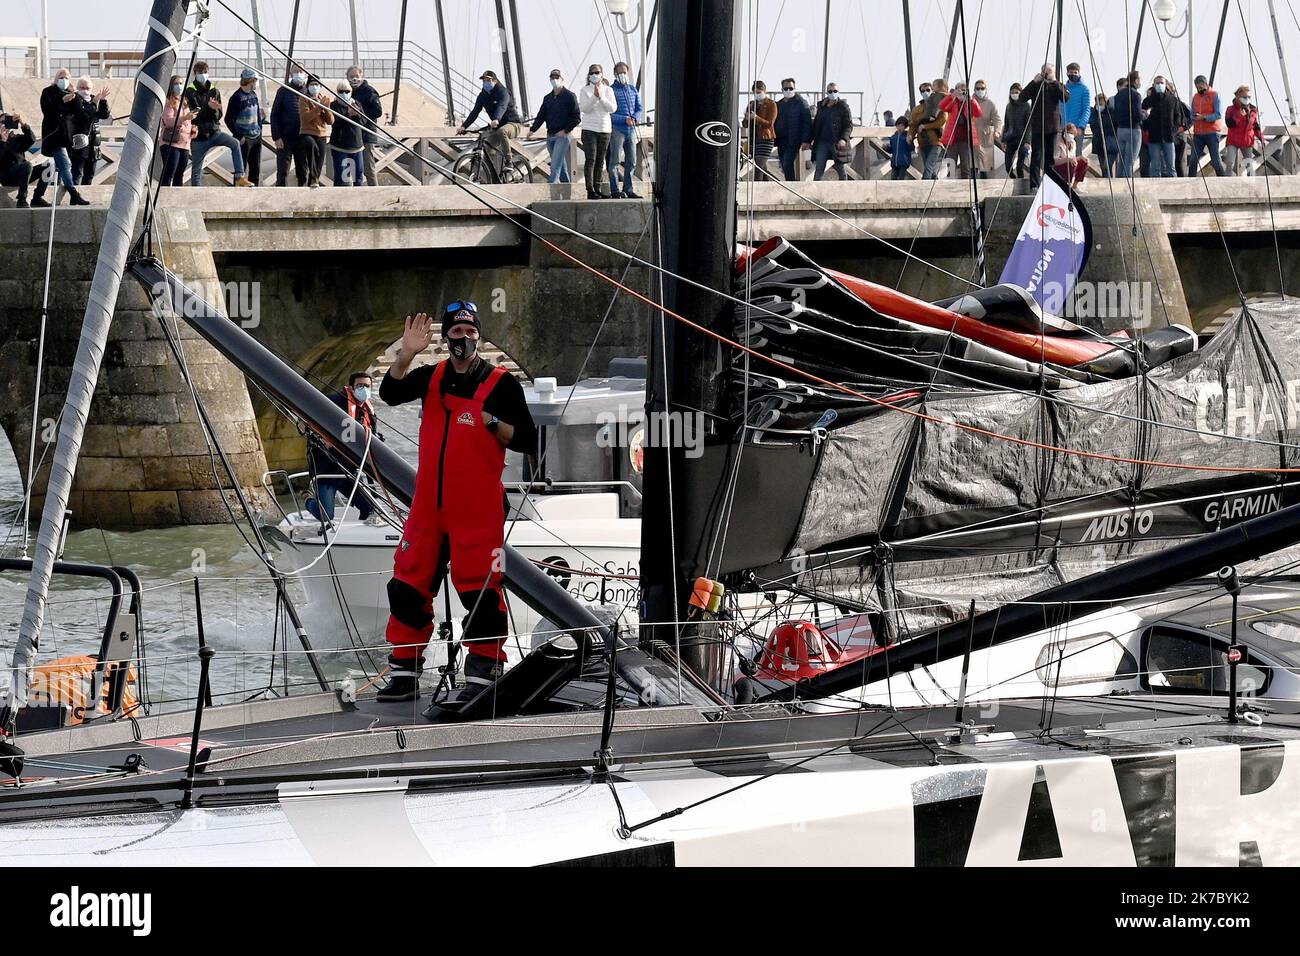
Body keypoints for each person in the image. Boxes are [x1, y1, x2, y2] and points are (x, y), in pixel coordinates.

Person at [375, 303, 539, 705]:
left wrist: (492, 424)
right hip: (429, 504)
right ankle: (404, 669)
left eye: (468, 330)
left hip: (477, 507)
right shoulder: (431, 377)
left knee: (480, 587)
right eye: (455, 331)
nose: (462, 337)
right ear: (446, 337)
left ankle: (483, 672)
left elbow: (528, 440)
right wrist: (407, 353)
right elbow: (390, 393)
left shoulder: (501, 383)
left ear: (477, 335)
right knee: (408, 583)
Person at [306, 372, 381, 526]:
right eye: (360, 386)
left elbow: (371, 441)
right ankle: (307, 499)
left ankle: (360, 536)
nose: (364, 389)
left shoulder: (368, 412)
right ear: (352, 388)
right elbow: (311, 409)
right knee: (326, 516)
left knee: (370, 509)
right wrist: (321, 435)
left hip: (349, 472)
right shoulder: (336, 402)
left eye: (367, 386)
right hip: (326, 471)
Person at [30, 69, 89, 207]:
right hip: (53, 136)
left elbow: (80, 113)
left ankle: (38, 196)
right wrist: (62, 100)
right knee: (65, 164)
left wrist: (75, 98)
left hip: (67, 136)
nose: (64, 80)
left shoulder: (71, 93)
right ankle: (74, 194)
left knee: (56, 167)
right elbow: (48, 111)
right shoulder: (48, 92)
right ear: (56, 79)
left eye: (66, 77)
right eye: (61, 77)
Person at [187, 63, 251, 187]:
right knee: (196, 171)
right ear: (194, 73)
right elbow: (194, 115)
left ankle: (240, 176)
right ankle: (196, 195)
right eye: (200, 72)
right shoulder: (190, 92)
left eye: (205, 71)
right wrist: (208, 107)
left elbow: (219, 114)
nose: (202, 75)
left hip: (214, 132)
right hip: (199, 136)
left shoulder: (214, 90)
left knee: (235, 143)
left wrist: (214, 109)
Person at [457, 70, 523, 181]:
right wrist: (464, 126)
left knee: (502, 131)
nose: (485, 82)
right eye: (484, 80)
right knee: (487, 146)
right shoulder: (483, 95)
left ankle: (509, 161)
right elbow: (475, 112)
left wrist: (496, 118)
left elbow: (502, 106)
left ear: (495, 81)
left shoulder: (503, 92)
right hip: (496, 127)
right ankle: (495, 177)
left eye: (488, 80)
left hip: (513, 124)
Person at [1021, 64, 1068, 188]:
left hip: (1052, 127)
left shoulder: (1057, 85)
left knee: (1049, 159)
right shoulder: (1036, 85)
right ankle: (1034, 185)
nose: (1047, 74)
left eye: (1049, 72)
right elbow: (1022, 97)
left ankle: (1050, 184)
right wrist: (1034, 81)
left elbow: (1066, 98)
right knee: (1036, 157)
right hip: (1038, 127)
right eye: (1045, 72)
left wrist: (1055, 81)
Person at [529, 68, 580, 184]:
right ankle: (567, 191)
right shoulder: (547, 98)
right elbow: (541, 116)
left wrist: (566, 130)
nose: (554, 80)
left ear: (562, 79)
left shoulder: (570, 96)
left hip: (563, 136)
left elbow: (576, 117)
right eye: (552, 77)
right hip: (550, 135)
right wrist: (533, 129)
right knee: (561, 166)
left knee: (555, 165)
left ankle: (551, 189)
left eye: (557, 77)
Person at [577, 63, 616, 199]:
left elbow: (612, 108)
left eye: (597, 72)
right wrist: (594, 97)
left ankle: (598, 188)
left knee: (600, 160)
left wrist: (601, 97)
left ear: (602, 74)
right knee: (591, 158)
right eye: (592, 72)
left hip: (605, 129)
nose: (595, 75)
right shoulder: (584, 90)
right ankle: (590, 190)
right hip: (589, 129)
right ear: (589, 75)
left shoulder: (608, 90)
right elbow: (585, 109)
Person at [608, 62, 645, 197]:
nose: (623, 75)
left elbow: (639, 108)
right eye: (620, 72)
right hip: (617, 129)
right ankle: (615, 190)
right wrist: (624, 119)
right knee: (614, 161)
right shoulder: (610, 90)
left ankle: (628, 189)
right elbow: (609, 114)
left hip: (631, 130)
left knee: (632, 161)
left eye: (625, 72)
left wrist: (635, 117)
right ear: (615, 74)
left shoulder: (632, 89)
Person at [225, 68, 265, 186]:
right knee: (241, 170)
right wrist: (239, 135)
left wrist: (260, 127)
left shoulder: (253, 95)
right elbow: (229, 119)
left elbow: (257, 114)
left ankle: (255, 194)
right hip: (244, 139)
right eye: (256, 81)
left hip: (256, 136)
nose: (256, 83)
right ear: (251, 81)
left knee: (255, 168)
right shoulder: (237, 97)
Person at [67, 75, 110, 185]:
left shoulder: (93, 99)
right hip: (79, 144)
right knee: (77, 174)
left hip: (93, 144)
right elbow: (84, 115)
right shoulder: (75, 100)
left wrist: (103, 101)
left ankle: (84, 198)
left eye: (87, 88)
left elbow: (104, 115)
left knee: (89, 174)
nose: (85, 90)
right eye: (82, 87)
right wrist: (94, 103)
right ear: (78, 88)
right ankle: (74, 199)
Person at [346, 65, 384, 185]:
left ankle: (374, 192)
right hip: (352, 136)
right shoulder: (347, 92)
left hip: (366, 135)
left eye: (357, 76)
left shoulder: (369, 91)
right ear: (347, 78)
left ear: (362, 76)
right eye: (351, 77)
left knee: (368, 167)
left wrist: (360, 112)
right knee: (352, 169)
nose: (354, 79)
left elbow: (378, 111)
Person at [328, 80, 369, 186]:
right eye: (341, 91)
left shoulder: (356, 103)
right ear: (337, 92)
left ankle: (358, 200)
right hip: (340, 147)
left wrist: (357, 114)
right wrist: (348, 114)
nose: (344, 94)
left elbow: (364, 122)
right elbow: (335, 123)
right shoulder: (333, 106)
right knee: (342, 178)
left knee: (358, 177)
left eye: (347, 91)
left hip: (356, 146)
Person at [810, 82, 853, 180]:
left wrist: (844, 139)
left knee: (840, 167)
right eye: (830, 91)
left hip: (836, 142)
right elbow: (816, 125)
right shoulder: (822, 106)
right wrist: (809, 140)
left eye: (835, 91)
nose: (832, 93)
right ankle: (815, 191)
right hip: (822, 142)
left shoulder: (843, 106)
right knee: (819, 168)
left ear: (838, 92)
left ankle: (845, 189)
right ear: (827, 92)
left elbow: (848, 125)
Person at [271, 67, 307, 186]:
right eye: (296, 72)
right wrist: (276, 136)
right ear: (291, 74)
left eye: (301, 72)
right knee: (282, 172)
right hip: (285, 139)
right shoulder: (283, 91)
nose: (299, 74)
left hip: (302, 138)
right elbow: (274, 114)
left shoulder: (307, 92)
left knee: (302, 172)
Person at [938, 82, 981, 179]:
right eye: (959, 89)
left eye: (964, 90)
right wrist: (952, 95)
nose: (962, 92)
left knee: (965, 166)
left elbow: (978, 113)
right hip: (952, 139)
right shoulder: (953, 102)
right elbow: (941, 106)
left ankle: (965, 186)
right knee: (951, 165)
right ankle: (951, 187)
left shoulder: (969, 102)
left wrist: (971, 100)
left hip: (965, 140)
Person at [909, 79, 949, 180]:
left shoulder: (939, 103)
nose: (925, 92)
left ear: (932, 90)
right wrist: (910, 135)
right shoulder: (916, 109)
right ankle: (936, 187)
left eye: (927, 90)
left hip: (936, 141)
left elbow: (942, 120)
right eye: (923, 91)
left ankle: (924, 187)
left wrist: (926, 126)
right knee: (930, 170)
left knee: (928, 166)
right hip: (922, 142)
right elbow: (913, 124)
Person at [295, 77, 332, 188]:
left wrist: (326, 109)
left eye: (317, 84)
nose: (314, 87)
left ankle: (314, 180)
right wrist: (319, 107)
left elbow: (330, 121)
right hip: (307, 133)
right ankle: (311, 179)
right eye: (312, 84)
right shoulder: (304, 99)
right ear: (308, 86)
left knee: (319, 160)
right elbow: (305, 117)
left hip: (321, 134)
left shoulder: (323, 99)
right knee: (311, 147)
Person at [159, 75, 195, 187]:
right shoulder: (168, 102)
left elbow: (187, 122)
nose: (179, 86)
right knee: (169, 172)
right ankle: (163, 197)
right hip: (170, 142)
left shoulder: (184, 102)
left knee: (180, 174)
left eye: (181, 83)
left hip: (184, 143)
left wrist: (193, 129)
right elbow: (168, 121)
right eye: (176, 83)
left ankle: (176, 199)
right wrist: (184, 118)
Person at [773, 78, 811, 181]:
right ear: (782, 89)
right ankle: (789, 183)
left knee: (787, 163)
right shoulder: (779, 104)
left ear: (795, 88)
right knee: (783, 164)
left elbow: (807, 123)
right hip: (781, 140)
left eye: (791, 88)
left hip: (794, 140)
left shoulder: (801, 103)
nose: (789, 90)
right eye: (786, 88)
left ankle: (791, 185)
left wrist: (806, 140)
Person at [1142, 75, 1181, 177]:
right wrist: (1147, 128)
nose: (1160, 85)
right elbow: (1143, 118)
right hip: (1153, 138)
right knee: (1155, 167)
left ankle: (1173, 188)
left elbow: (1178, 117)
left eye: (1162, 83)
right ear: (1153, 85)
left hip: (1169, 137)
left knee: (1171, 167)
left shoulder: (1172, 100)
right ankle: (1156, 189)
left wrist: (1174, 130)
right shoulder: (1147, 101)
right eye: (1157, 83)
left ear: (1166, 85)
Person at [1189, 74, 1226, 176]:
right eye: (1197, 87)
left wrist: (1204, 117)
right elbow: (1191, 113)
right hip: (1198, 133)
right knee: (1193, 160)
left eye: (1200, 86)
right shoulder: (1195, 97)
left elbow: (1218, 114)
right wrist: (1193, 117)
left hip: (1212, 133)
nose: (1199, 89)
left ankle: (1222, 180)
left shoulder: (1215, 95)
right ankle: (1190, 182)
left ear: (1205, 84)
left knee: (1215, 160)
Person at [1224, 85, 1264, 176]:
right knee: (1230, 162)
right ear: (1238, 96)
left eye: (1248, 97)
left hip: (1247, 141)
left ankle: (1252, 184)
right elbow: (1229, 124)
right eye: (1244, 97)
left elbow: (1255, 126)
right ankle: (1226, 182)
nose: (1247, 99)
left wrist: (1261, 138)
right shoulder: (1230, 109)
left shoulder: (1253, 110)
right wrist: (1239, 115)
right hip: (1233, 141)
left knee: (1249, 165)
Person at [742, 80, 777, 182]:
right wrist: (747, 118)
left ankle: (757, 186)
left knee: (759, 165)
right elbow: (745, 124)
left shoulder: (771, 104)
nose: (757, 94)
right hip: (754, 139)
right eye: (755, 92)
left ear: (764, 91)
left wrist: (756, 117)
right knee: (762, 166)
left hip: (766, 138)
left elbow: (769, 123)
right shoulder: (752, 104)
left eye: (759, 92)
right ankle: (767, 188)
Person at [1111, 73, 1144, 178]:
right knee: (1129, 162)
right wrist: (1146, 114)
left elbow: (1116, 113)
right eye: (1140, 79)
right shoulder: (1136, 95)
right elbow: (1137, 115)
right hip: (1133, 130)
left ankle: (1119, 184)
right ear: (1136, 80)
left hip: (1120, 130)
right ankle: (1127, 187)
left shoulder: (1119, 95)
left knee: (1121, 161)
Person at [0, 110, 35, 207]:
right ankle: (22, 200)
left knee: (48, 166)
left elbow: (31, 139)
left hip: (22, 174)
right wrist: (3, 141)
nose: (5, 124)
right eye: (2, 122)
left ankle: (37, 198)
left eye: (8, 121)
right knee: (27, 165)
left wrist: (22, 122)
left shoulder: (16, 137)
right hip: (7, 176)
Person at [971, 80, 1001, 178]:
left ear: (986, 89)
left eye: (982, 88)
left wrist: (997, 131)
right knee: (972, 167)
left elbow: (997, 120)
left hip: (985, 139)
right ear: (974, 90)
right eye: (978, 88)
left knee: (985, 169)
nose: (980, 90)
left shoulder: (990, 104)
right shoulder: (969, 102)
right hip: (971, 139)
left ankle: (985, 192)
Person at [1062, 62, 1092, 157]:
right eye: (1071, 72)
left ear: (1079, 73)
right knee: (1062, 155)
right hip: (1063, 128)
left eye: (1075, 72)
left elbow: (1086, 109)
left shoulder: (1084, 89)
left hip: (1077, 128)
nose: (1073, 75)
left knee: (1076, 155)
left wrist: (1081, 126)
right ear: (1067, 73)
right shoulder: (1063, 88)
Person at [1002, 82, 1031, 178]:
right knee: (1007, 166)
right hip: (1010, 138)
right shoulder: (1008, 106)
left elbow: (1029, 124)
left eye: (1016, 92)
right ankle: (1014, 179)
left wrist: (1027, 141)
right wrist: (1003, 140)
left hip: (1022, 139)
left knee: (1020, 166)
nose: (1014, 94)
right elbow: (1006, 123)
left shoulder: (1026, 105)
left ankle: (1021, 184)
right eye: (1012, 92)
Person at [1090, 91, 1118, 177]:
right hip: (1099, 142)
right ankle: (1106, 182)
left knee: (1107, 165)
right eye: (1098, 101)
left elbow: (1114, 125)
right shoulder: (1094, 112)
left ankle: (1110, 183)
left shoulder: (1111, 112)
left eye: (1101, 101)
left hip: (1110, 142)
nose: (1099, 103)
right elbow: (1092, 124)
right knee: (1103, 167)